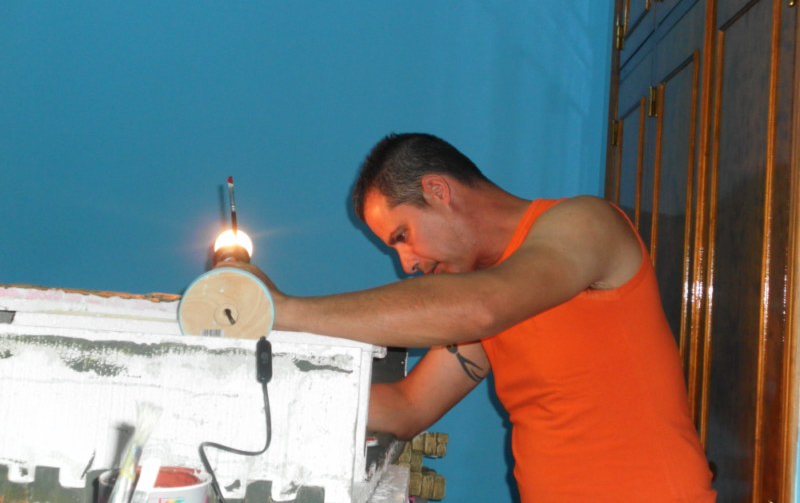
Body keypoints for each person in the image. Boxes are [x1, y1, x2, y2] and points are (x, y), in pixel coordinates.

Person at [225, 132, 716, 502]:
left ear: (438, 190)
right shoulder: (492, 295)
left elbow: (482, 307)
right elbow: (408, 407)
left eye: (402, 235)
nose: (407, 263)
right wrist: (254, 384)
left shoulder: (584, 223)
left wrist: (281, 311)